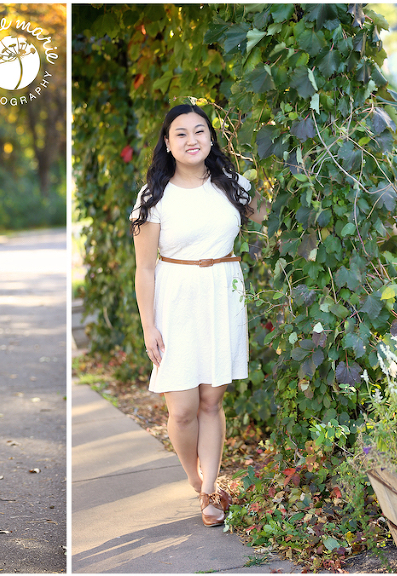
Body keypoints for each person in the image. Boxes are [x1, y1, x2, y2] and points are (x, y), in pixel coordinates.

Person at [129, 103, 267, 527]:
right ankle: (194, 476)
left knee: (211, 400)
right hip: (176, 299)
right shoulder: (155, 197)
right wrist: (149, 325)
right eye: (181, 134)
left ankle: (210, 492)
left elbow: (270, 220)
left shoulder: (233, 185)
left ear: (210, 138)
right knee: (183, 408)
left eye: (200, 132)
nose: (192, 140)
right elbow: (146, 268)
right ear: (167, 144)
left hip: (222, 294)